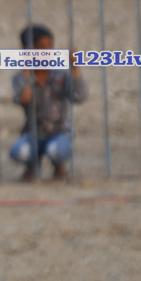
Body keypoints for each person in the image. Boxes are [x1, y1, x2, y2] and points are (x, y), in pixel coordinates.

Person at [9, 24, 85, 182]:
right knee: (19, 152)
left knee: (57, 150)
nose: (47, 52)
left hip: (59, 131)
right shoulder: (20, 78)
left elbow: (79, 96)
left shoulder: (60, 75)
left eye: (49, 47)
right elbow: (24, 99)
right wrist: (27, 71)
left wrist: (75, 67)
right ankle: (32, 166)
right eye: (41, 48)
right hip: (33, 133)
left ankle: (59, 167)